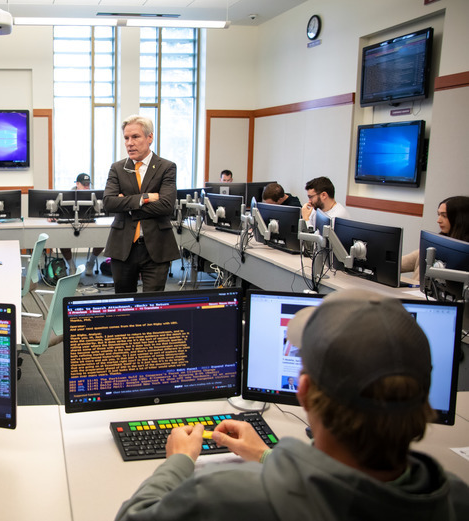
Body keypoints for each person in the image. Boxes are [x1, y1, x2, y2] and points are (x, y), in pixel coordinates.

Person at [115, 289, 469, 521]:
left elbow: (134, 517)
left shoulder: (225, 498)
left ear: (303, 390)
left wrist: (178, 460)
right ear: (424, 399)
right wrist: (268, 455)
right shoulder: (455, 496)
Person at [103, 115, 179, 293]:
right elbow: (109, 203)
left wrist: (126, 205)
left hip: (156, 246)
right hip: (122, 247)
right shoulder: (117, 168)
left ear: (150, 137)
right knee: (124, 303)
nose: (129, 143)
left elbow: (166, 206)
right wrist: (144, 198)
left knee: (152, 305)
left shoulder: (166, 167)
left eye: (135, 137)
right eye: (126, 138)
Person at [401, 195, 469, 274]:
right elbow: (400, 263)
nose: (438, 220)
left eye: (444, 216)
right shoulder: (434, 245)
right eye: (438, 215)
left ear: (460, 219)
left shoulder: (464, 253)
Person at [61, 173, 105, 274]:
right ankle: (72, 266)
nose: (87, 187)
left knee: (103, 236)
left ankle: (90, 263)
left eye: (88, 184)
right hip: (70, 225)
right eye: (84, 184)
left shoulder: (93, 195)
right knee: (62, 239)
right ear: (77, 184)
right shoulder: (67, 195)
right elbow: (61, 212)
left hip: (90, 224)